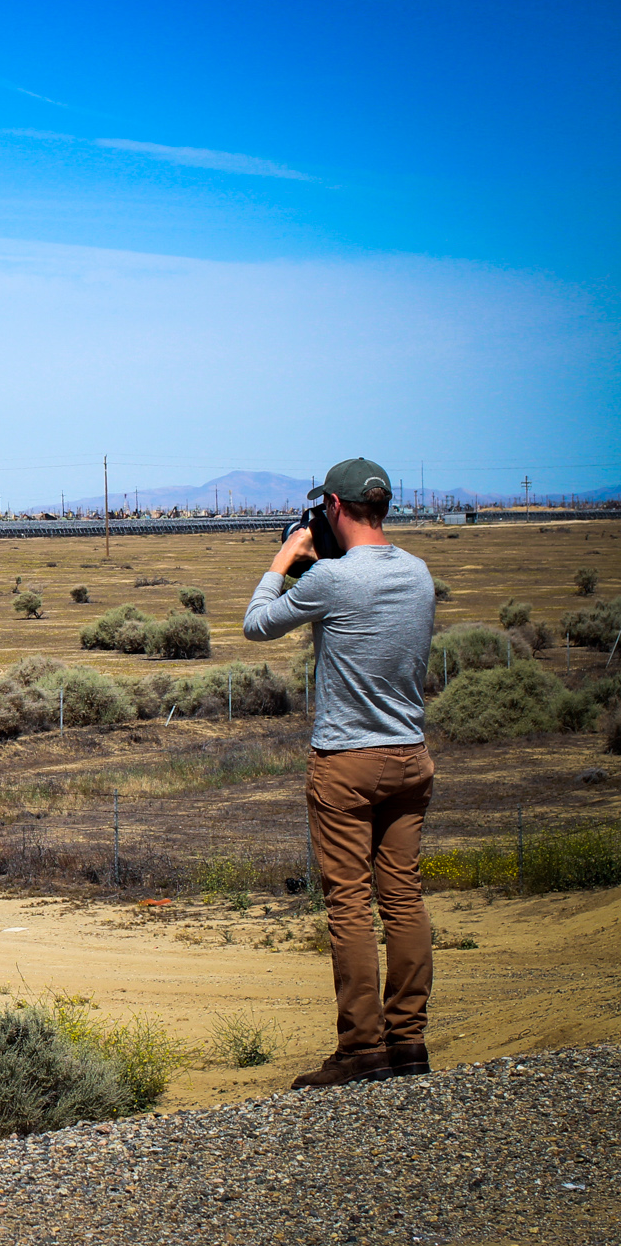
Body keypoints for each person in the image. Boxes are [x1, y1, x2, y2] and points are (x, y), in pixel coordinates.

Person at [243, 457, 437, 1089]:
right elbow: (361, 595)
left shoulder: (329, 583)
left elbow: (256, 626)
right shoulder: (418, 574)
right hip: (410, 756)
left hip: (347, 763)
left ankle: (361, 1048)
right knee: (402, 898)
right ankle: (408, 1042)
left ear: (332, 507)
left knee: (350, 902)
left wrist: (283, 561)